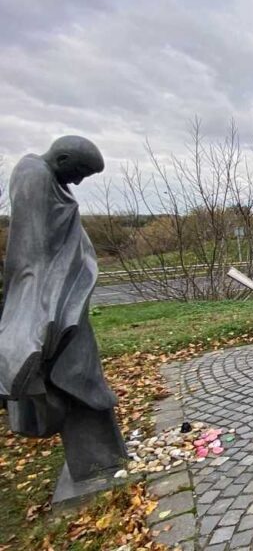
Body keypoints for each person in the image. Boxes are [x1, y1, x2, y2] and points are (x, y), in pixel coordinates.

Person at [1, 136, 129, 483]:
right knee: (74, 364)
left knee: (81, 362)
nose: (80, 181)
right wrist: (42, 309)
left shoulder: (44, 176)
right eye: (80, 172)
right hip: (52, 296)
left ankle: (101, 446)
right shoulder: (35, 176)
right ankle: (95, 453)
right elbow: (35, 250)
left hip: (63, 293)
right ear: (64, 157)